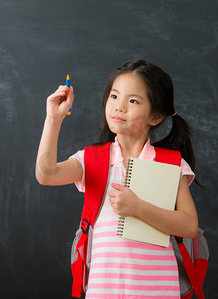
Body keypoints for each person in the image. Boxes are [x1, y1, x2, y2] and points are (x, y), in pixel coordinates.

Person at [36, 59, 199, 299]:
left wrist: (138, 208)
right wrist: (53, 118)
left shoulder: (170, 164)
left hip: (158, 291)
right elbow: (46, 174)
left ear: (155, 116)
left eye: (132, 101)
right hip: (104, 290)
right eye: (114, 96)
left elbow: (189, 226)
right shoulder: (92, 160)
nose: (118, 107)